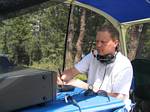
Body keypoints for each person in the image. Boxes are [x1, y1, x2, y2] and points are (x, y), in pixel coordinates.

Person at [57, 25, 133, 111]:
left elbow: (119, 98)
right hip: (94, 103)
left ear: (115, 43)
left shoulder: (124, 64)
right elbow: (73, 71)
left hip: (115, 107)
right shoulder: (93, 56)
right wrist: (62, 77)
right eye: (97, 41)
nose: (98, 45)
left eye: (103, 42)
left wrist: (87, 87)